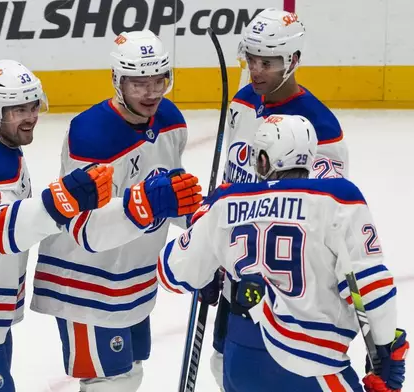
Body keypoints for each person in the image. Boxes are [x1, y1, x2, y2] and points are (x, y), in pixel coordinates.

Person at [158, 114, 407, 392]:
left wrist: (202, 229)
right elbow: (371, 285)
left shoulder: (227, 202)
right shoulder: (338, 198)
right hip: (311, 364)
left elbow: (170, 273)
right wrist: (385, 352)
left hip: (240, 362)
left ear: (263, 160)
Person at [31, 30, 207, 392]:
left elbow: (168, 195)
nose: (152, 92)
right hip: (85, 279)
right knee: (110, 382)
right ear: (117, 81)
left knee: (130, 372)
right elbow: (85, 229)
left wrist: (198, 217)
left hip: (133, 277)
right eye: (139, 83)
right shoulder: (91, 134)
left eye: (159, 80)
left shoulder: (170, 121)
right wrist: (147, 204)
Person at [0, 59, 115, 392]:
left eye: (32, 105)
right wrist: (62, 202)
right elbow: (3, 232)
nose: (30, 117)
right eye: (17, 110)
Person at [210, 9, 352, 388]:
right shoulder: (243, 101)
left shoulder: (320, 127)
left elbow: (325, 217)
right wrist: (213, 256)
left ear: (293, 60)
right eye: (251, 59)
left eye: (268, 62)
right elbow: (231, 181)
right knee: (223, 364)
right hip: (237, 265)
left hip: (284, 286)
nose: (256, 71)